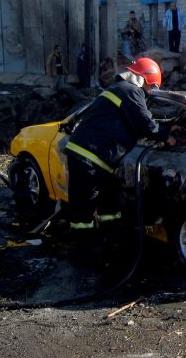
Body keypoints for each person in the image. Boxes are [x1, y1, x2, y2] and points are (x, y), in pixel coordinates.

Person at [64, 58, 178, 230]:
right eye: (152, 86)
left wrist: (167, 126)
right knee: (83, 214)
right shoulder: (131, 91)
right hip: (88, 156)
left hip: (98, 160)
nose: (150, 92)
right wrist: (166, 136)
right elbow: (144, 123)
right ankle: (85, 250)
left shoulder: (120, 89)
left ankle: (107, 244)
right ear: (146, 79)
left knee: (108, 208)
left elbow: (137, 118)